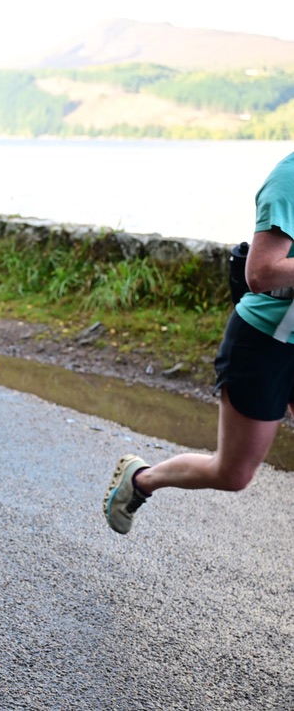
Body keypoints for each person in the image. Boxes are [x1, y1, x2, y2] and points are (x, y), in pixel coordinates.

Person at [104, 149, 294, 535]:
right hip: (264, 344)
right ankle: (141, 479)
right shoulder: (288, 180)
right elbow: (260, 273)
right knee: (233, 473)